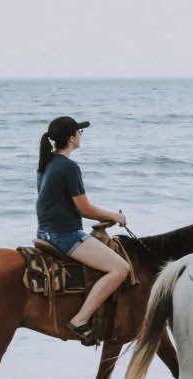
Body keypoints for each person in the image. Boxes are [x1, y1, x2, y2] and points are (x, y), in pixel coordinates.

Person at [36, 116, 130, 346]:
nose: (81, 136)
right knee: (120, 268)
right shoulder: (68, 167)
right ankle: (80, 319)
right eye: (79, 132)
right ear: (71, 138)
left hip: (45, 231)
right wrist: (114, 216)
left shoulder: (47, 162)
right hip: (64, 235)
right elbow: (85, 209)